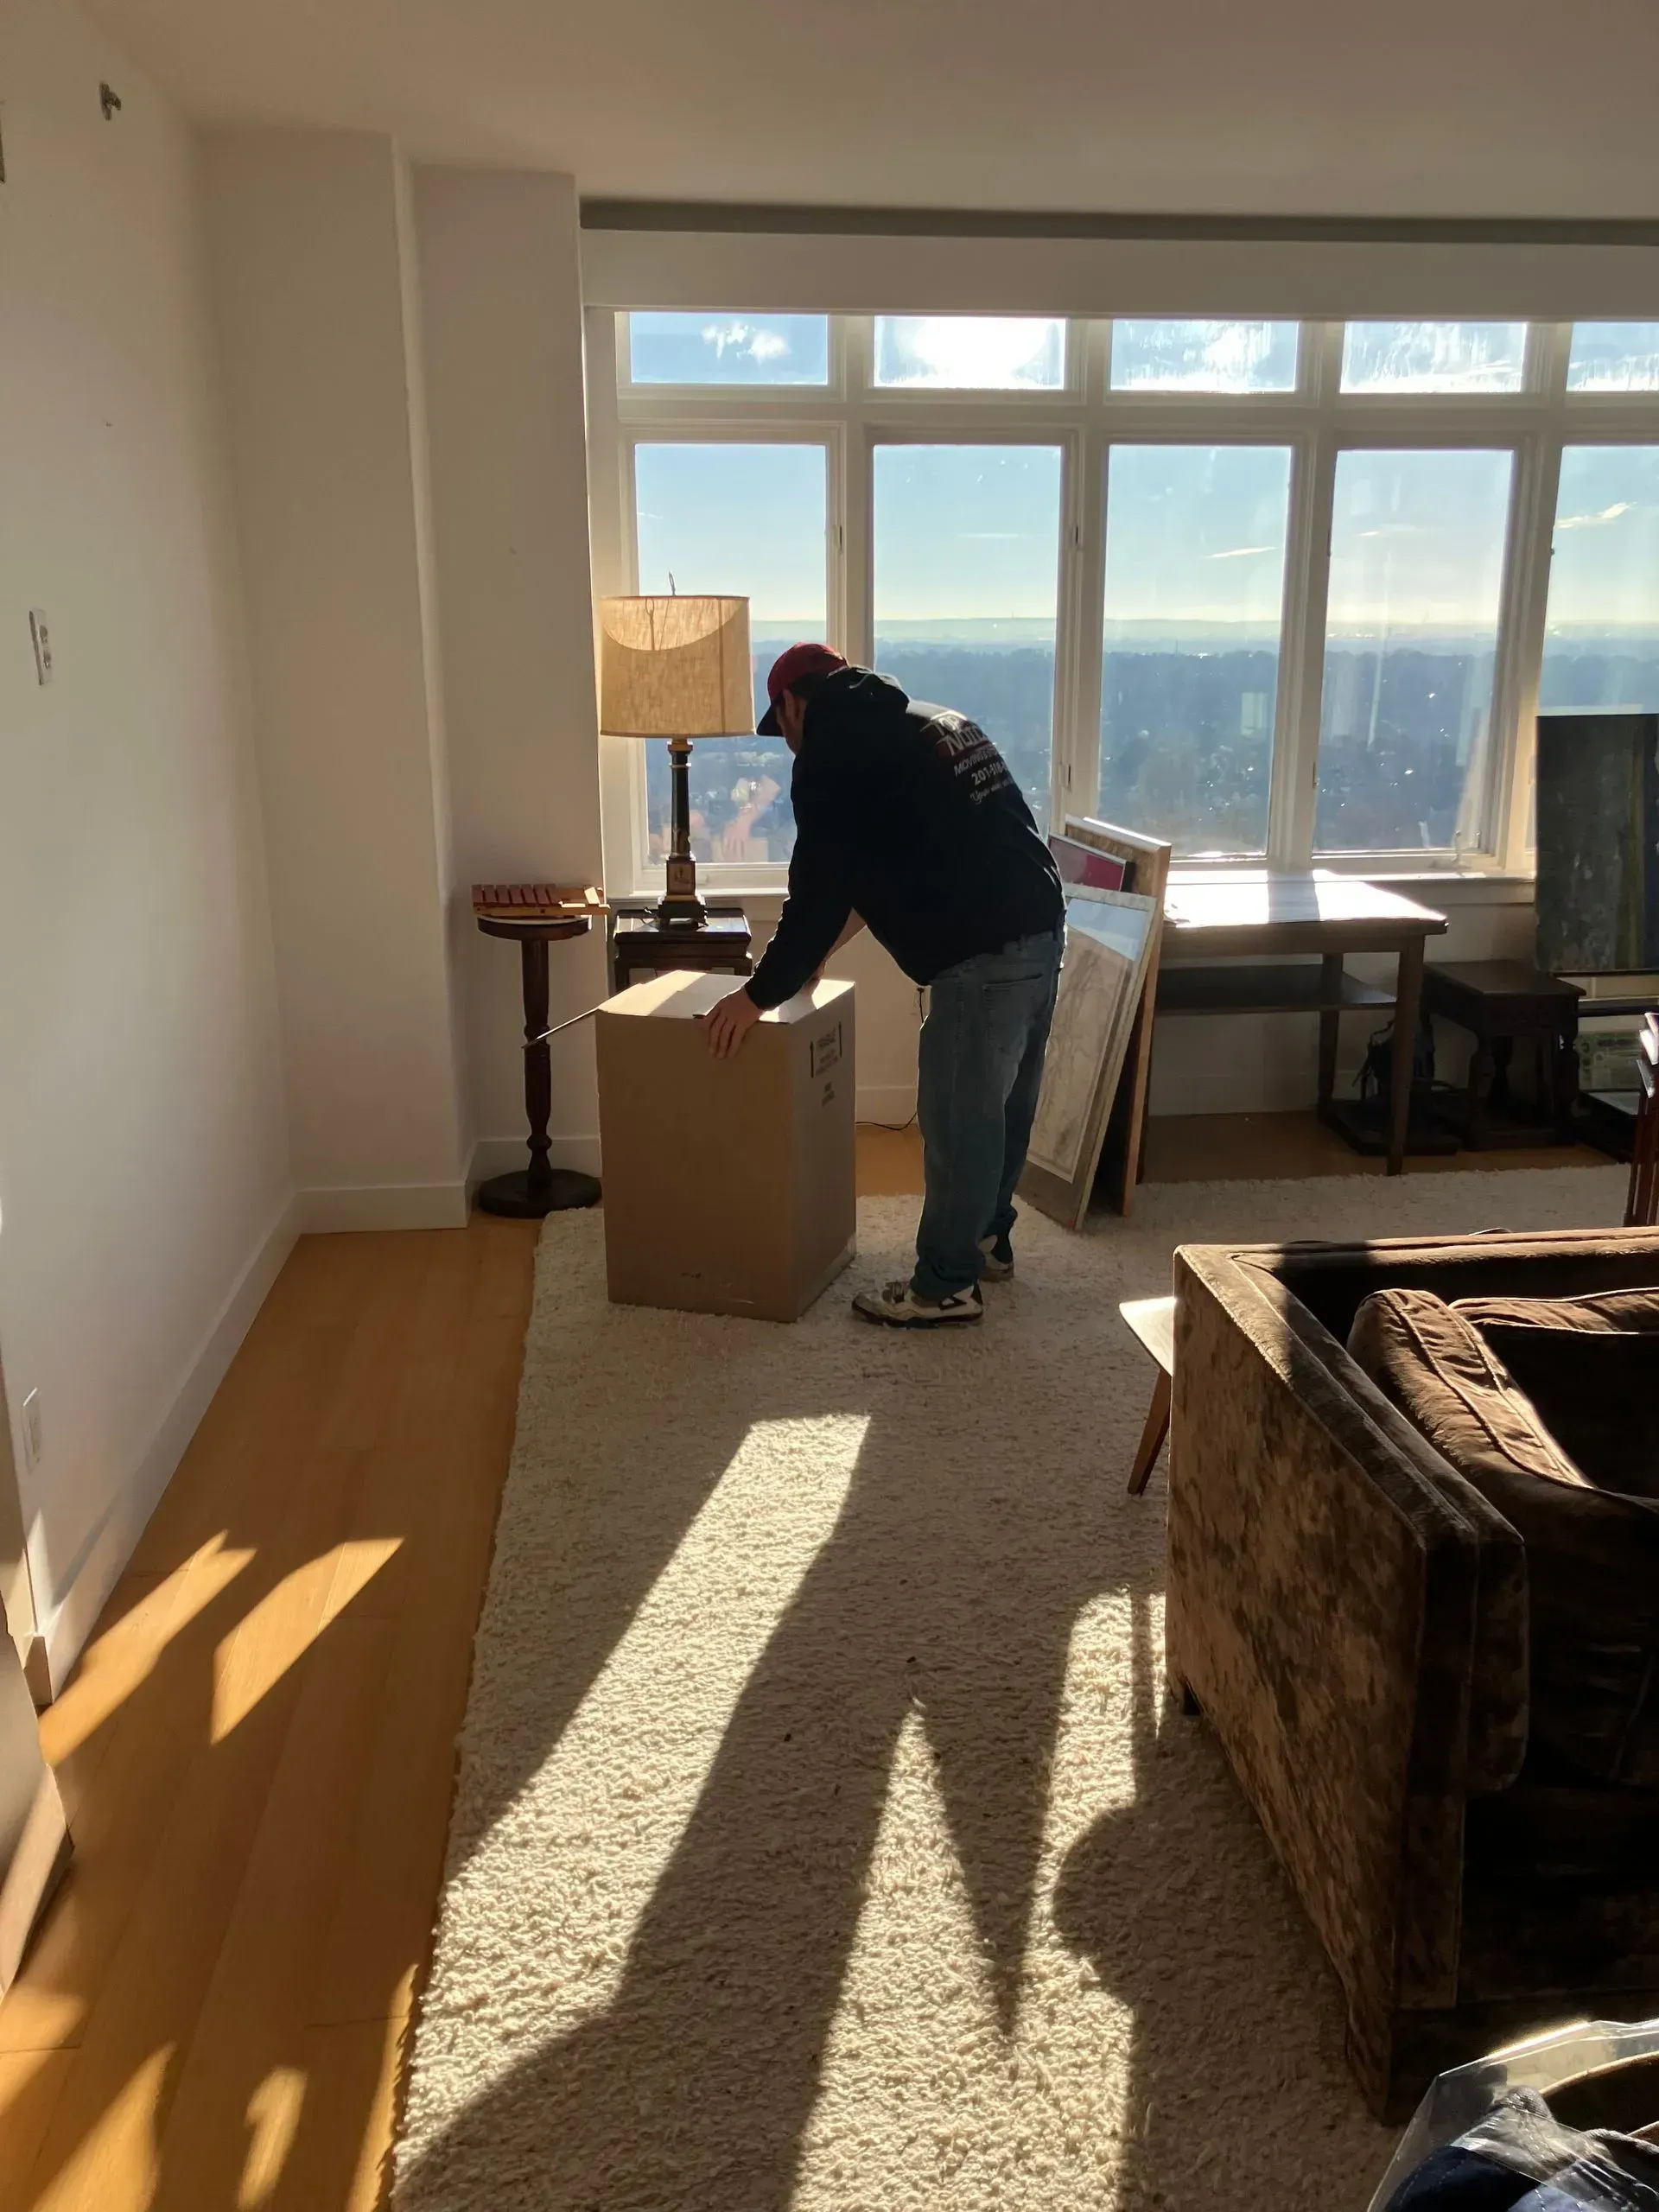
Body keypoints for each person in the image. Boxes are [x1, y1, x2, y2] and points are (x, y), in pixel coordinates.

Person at [704, 644, 1065, 1329]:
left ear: (792, 704)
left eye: (779, 726)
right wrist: (809, 963)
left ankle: (945, 1285)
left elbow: (816, 897)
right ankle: (987, 1241)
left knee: (959, 1119)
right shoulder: (929, 722)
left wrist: (755, 996)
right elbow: (873, 880)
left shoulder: (832, 759)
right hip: (1041, 925)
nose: (784, 744)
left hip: (982, 951)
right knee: (1002, 1108)